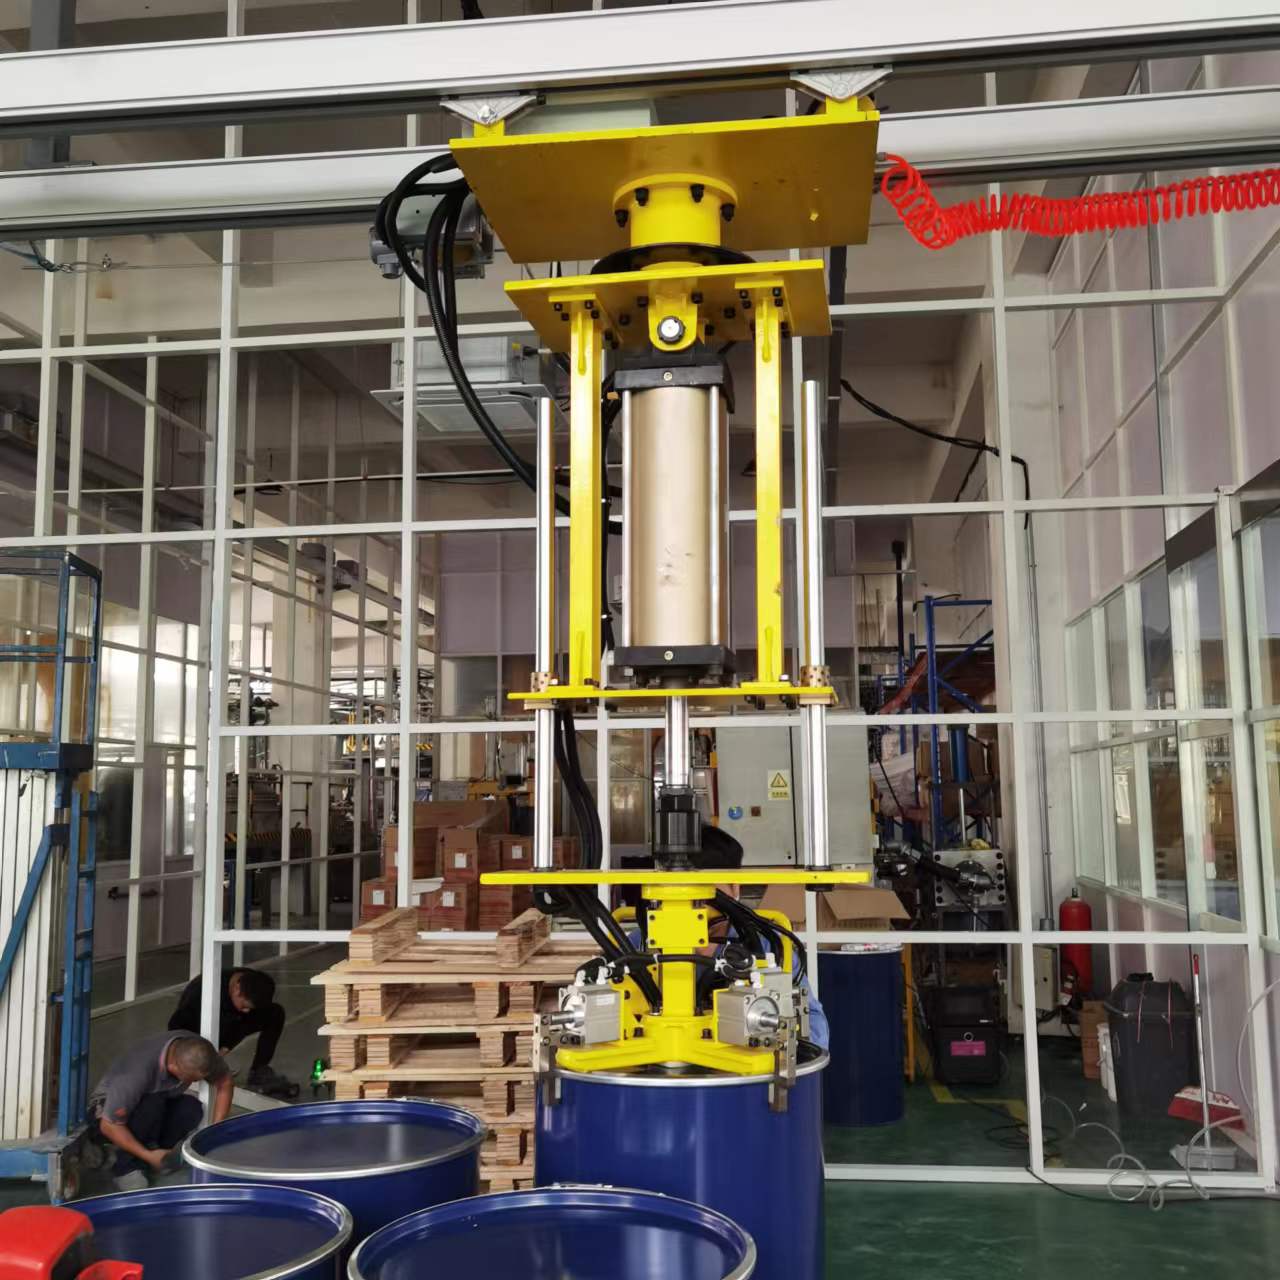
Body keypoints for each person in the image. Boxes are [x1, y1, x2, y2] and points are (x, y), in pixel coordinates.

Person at [89, 1033, 231, 1191]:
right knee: (152, 1103)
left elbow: (224, 1082)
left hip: (156, 1102)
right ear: (173, 1068)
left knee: (191, 1109)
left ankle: (152, 1154)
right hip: (108, 1114)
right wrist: (147, 1155)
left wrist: (215, 1129)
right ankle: (123, 1166)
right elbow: (108, 1125)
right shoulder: (136, 1073)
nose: (195, 1082)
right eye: (191, 1079)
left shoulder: (200, 1052)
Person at [168, 967, 292, 1094]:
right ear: (237, 989)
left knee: (275, 1013)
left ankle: (258, 1071)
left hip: (233, 1023)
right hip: (198, 1030)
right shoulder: (200, 992)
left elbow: (246, 1017)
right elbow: (175, 1025)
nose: (246, 1011)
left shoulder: (255, 983)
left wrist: (228, 1045)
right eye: (244, 1006)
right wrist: (186, 1059)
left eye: (249, 1008)